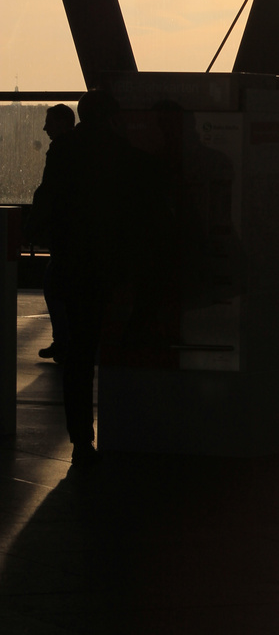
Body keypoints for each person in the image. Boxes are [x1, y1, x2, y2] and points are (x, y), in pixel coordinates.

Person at [39, 89, 138, 467]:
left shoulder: (63, 151)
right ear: (112, 116)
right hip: (113, 266)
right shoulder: (124, 154)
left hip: (76, 265)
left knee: (79, 356)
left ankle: (82, 439)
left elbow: (49, 202)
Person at [30, 103, 76, 363]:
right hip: (80, 234)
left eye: (49, 122)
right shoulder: (85, 149)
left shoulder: (61, 150)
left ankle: (63, 341)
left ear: (61, 122)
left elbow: (49, 191)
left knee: (54, 285)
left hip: (66, 234)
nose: (45, 127)